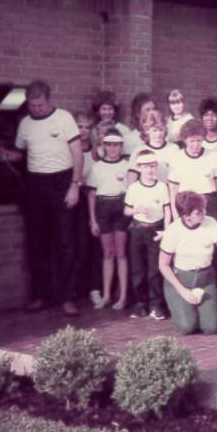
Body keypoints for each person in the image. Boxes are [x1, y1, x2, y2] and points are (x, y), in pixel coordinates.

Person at [8, 80, 84, 316]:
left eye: (40, 105)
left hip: (62, 182)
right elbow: (20, 154)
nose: (36, 109)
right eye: (32, 105)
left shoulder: (64, 118)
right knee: (37, 242)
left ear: (48, 100)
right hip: (36, 184)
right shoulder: (25, 124)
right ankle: (40, 295)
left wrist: (74, 185)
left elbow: (78, 153)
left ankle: (68, 297)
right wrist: (6, 156)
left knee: (65, 242)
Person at [168, 118, 217, 305]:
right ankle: (185, 295)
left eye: (199, 140)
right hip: (186, 204)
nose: (195, 145)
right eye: (192, 141)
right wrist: (176, 215)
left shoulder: (212, 156)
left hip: (209, 202)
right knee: (189, 247)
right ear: (185, 140)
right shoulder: (177, 158)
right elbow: (172, 188)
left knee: (215, 251)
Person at [158, 191, 217, 335]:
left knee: (211, 328)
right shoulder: (174, 230)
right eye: (198, 212)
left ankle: (199, 311)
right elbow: (163, 265)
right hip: (181, 280)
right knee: (187, 327)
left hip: (206, 279)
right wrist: (183, 291)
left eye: (204, 209)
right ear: (186, 216)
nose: (204, 213)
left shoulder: (210, 222)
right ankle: (182, 306)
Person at [124, 149, 172, 320]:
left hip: (155, 230)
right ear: (139, 168)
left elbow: (167, 210)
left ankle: (156, 305)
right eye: (145, 167)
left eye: (152, 166)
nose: (149, 170)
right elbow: (126, 210)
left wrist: (165, 231)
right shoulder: (134, 188)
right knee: (138, 269)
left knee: (154, 269)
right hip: (138, 230)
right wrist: (135, 209)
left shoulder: (161, 187)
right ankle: (140, 304)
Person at [87, 129, 130, 310]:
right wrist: (93, 220)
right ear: (103, 145)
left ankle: (123, 297)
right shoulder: (96, 167)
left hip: (121, 206)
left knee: (121, 253)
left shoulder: (127, 165)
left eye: (116, 144)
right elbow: (91, 194)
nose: (113, 148)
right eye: (109, 144)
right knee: (108, 254)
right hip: (103, 208)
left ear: (121, 146)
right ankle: (106, 295)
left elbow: (132, 192)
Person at [74, 111, 101, 308]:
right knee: (77, 246)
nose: (83, 131)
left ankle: (94, 288)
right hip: (76, 201)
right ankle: (76, 289)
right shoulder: (70, 149)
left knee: (95, 247)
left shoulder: (96, 151)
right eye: (80, 126)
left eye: (86, 127)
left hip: (94, 200)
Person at [131, 109, 175, 185]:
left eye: (161, 129)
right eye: (155, 130)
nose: (159, 134)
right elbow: (132, 177)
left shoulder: (173, 148)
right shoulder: (139, 150)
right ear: (146, 130)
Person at [92, 90, 140, 156]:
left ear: (115, 111)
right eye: (104, 109)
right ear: (98, 111)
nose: (107, 112)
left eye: (110, 109)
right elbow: (94, 155)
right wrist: (97, 142)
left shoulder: (123, 129)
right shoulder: (94, 130)